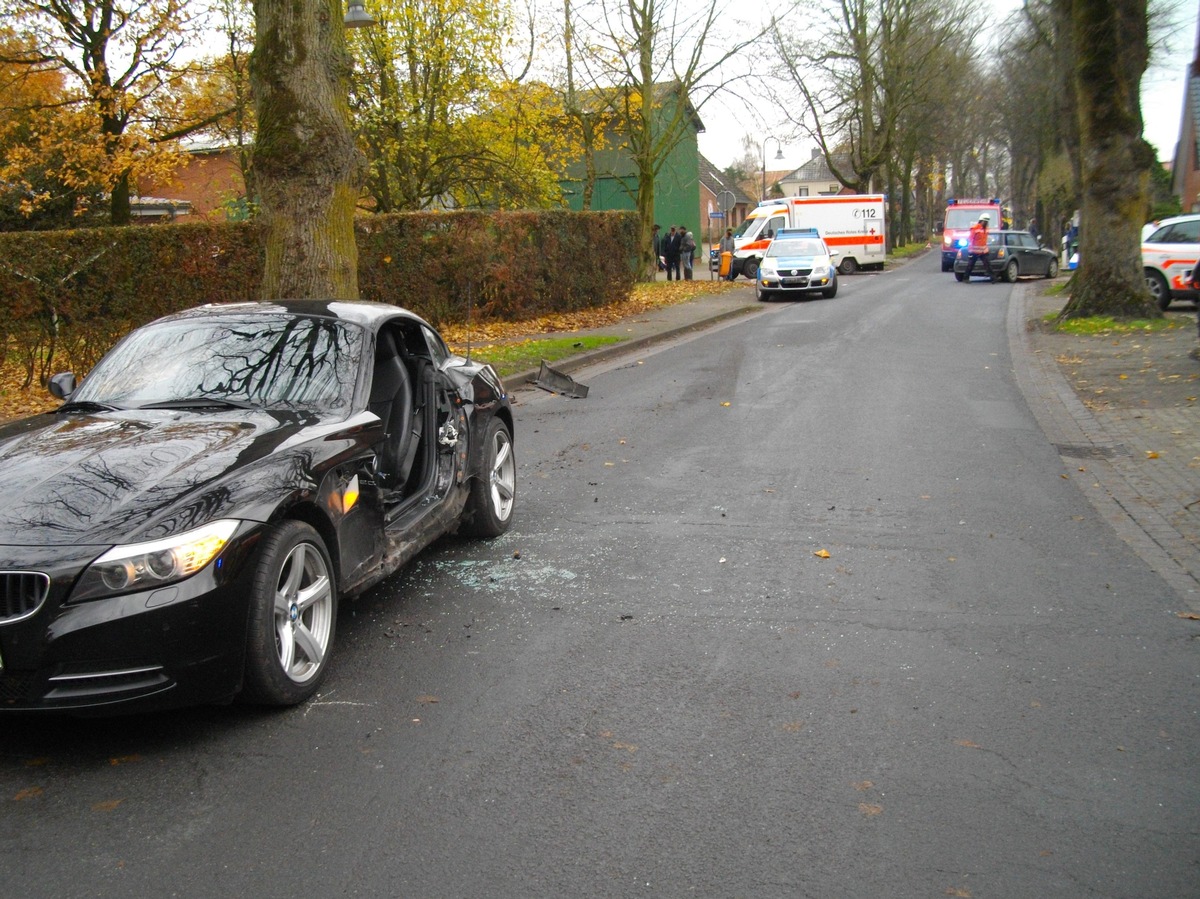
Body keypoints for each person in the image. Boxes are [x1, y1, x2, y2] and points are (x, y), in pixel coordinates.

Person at [962, 213, 995, 282]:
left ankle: (993, 278)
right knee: (970, 265)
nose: (986, 223)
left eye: (987, 222)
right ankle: (965, 278)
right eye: (985, 222)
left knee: (988, 265)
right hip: (974, 251)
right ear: (981, 221)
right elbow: (970, 238)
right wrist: (970, 249)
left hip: (983, 251)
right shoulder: (975, 228)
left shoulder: (985, 229)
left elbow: (984, 240)